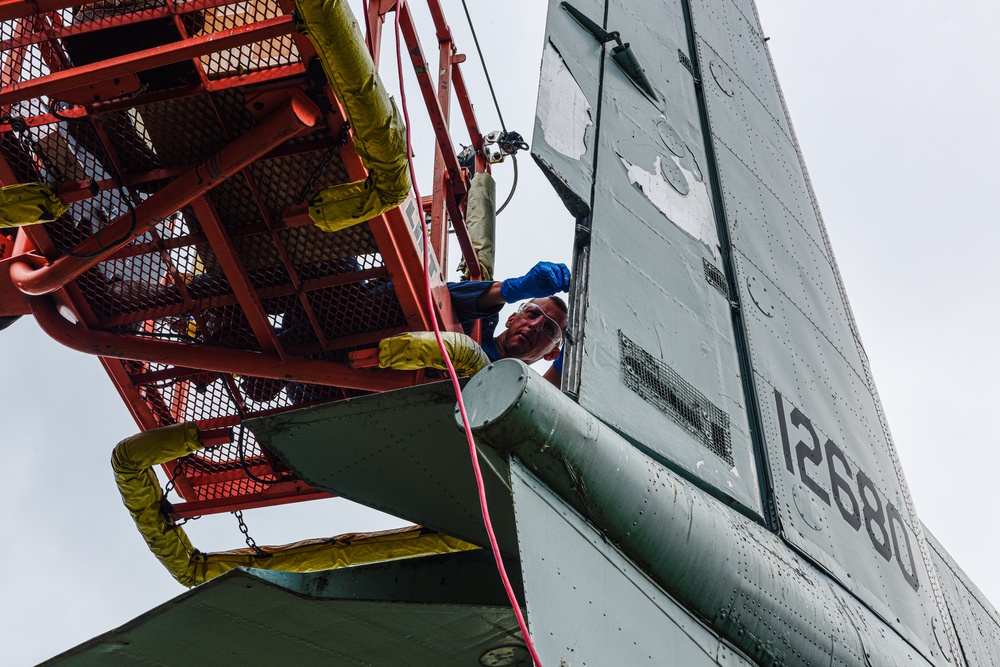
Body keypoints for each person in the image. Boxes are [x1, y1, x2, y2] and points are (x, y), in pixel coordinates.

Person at [447, 260, 570, 385]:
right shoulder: (474, 326)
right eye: (532, 314)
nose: (534, 326)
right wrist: (515, 288)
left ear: (552, 355)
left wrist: (568, 362)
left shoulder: (524, 392)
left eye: (549, 328)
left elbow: (545, 399)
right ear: (511, 319)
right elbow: (438, 296)